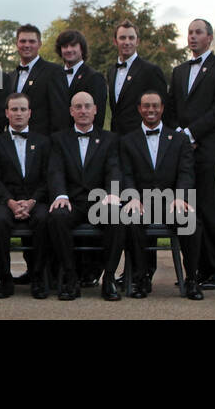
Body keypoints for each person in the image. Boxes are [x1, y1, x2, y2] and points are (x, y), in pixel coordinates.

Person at [164, 19, 215, 289]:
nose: (193, 37)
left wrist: (190, 134)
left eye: (198, 33)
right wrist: (179, 139)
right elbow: (170, 109)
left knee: (208, 210)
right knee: (186, 211)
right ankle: (195, 271)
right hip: (183, 153)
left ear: (210, 37)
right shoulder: (179, 71)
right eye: (190, 32)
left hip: (206, 149)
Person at [118, 90, 203, 301]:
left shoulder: (180, 139)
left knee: (191, 221)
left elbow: (186, 172)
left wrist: (180, 196)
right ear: (139, 109)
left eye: (155, 105)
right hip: (141, 201)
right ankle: (141, 278)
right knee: (131, 220)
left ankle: (192, 279)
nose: (151, 110)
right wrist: (133, 197)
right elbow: (126, 174)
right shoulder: (127, 141)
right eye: (146, 106)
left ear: (162, 108)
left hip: (171, 201)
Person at [47, 91, 125, 301]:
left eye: (87, 106)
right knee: (57, 216)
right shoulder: (58, 139)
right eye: (78, 107)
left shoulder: (109, 139)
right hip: (71, 201)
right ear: (71, 111)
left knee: (116, 215)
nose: (83, 111)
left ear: (95, 110)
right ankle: (71, 278)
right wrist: (60, 194)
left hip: (99, 202)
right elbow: (55, 170)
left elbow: (114, 168)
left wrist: (112, 193)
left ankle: (108, 279)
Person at [0, 93, 51, 299]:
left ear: (30, 113)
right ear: (7, 113)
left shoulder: (43, 142)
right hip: (6, 200)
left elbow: (47, 178)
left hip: (36, 199)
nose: (18, 113)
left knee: (44, 219)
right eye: (14, 109)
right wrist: (11, 202)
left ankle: (38, 276)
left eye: (23, 109)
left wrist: (33, 201)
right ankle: (5, 277)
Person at [107, 21, 167, 136]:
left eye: (131, 38)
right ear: (115, 41)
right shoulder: (111, 71)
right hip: (116, 138)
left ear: (137, 41)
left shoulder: (151, 70)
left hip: (141, 139)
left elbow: (163, 109)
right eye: (122, 38)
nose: (127, 42)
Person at [9, 24, 68, 136]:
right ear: (17, 44)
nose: (27, 45)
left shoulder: (54, 72)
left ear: (39, 44)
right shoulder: (10, 76)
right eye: (23, 41)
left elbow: (60, 114)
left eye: (32, 41)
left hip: (43, 144)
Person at [54, 29, 108, 131]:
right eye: (65, 46)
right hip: (58, 140)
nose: (69, 50)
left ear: (82, 49)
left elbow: (98, 116)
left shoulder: (94, 77)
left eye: (73, 45)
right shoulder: (54, 77)